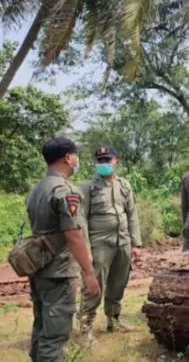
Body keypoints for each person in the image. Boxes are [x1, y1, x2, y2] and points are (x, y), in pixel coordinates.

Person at [25, 137, 101, 361]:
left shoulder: (37, 189)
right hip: (59, 273)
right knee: (55, 336)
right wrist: (88, 273)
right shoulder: (66, 191)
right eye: (76, 155)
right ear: (68, 158)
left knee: (41, 327)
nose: (77, 159)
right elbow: (74, 235)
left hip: (39, 269)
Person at [78, 146, 141, 337]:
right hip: (99, 244)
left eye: (107, 160)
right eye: (100, 161)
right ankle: (85, 327)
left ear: (116, 161)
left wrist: (136, 244)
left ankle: (113, 321)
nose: (104, 164)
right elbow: (81, 220)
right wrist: (86, 249)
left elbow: (132, 214)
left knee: (118, 284)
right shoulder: (87, 187)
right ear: (96, 163)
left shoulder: (124, 185)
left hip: (122, 242)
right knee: (94, 285)